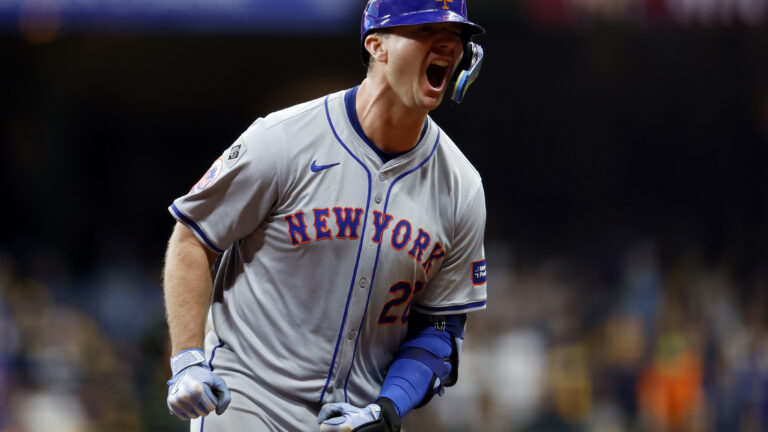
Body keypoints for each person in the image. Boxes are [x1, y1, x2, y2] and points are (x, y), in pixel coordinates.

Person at [162, 0, 488, 430]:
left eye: (456, 36)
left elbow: (440, 329)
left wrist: (386, 408)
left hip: (352, 417)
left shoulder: (461, 186)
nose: (446, 43)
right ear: (378, 46)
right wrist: (187, 357)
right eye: (425, 30)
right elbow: (192, 238)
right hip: (247, 399)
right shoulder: (282, 140)